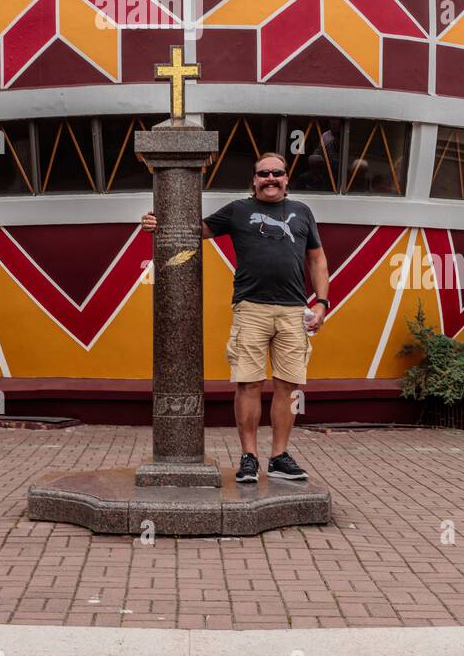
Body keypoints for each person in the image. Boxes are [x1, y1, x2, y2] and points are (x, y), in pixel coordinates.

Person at [141, 152, 330, 484]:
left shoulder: (302, 212)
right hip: (250, 309)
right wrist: (159, 222)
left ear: (287, 179)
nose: (270, 178)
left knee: (288, 385)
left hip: (293, 311)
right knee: (249, 383)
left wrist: (322, 303)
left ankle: (279, 457)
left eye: (277, 173)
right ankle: (249, 457)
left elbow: (317, 260)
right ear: (254, 180)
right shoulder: (239, 210)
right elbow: (193, 231)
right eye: (263, 174)